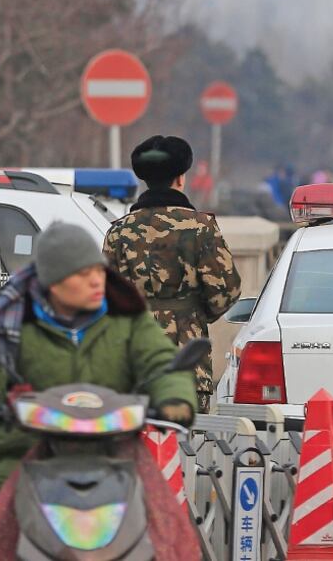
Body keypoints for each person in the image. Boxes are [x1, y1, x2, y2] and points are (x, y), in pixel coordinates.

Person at [0, 222, 197, 561]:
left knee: (165, 535)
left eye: (98, 270)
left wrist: (174, 397)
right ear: (53, 282)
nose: (97, 281)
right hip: (27, 452)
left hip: (114, 454)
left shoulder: (128, 319)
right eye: (82, 274)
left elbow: (161, 363)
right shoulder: (11, 322)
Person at [103, 135, 241, 412]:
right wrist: (193, 314)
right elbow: (226, 290)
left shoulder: (119, 231)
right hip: (187, 360)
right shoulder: (201, 227)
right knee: (185, 448)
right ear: (181, 178)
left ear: (145, 179)